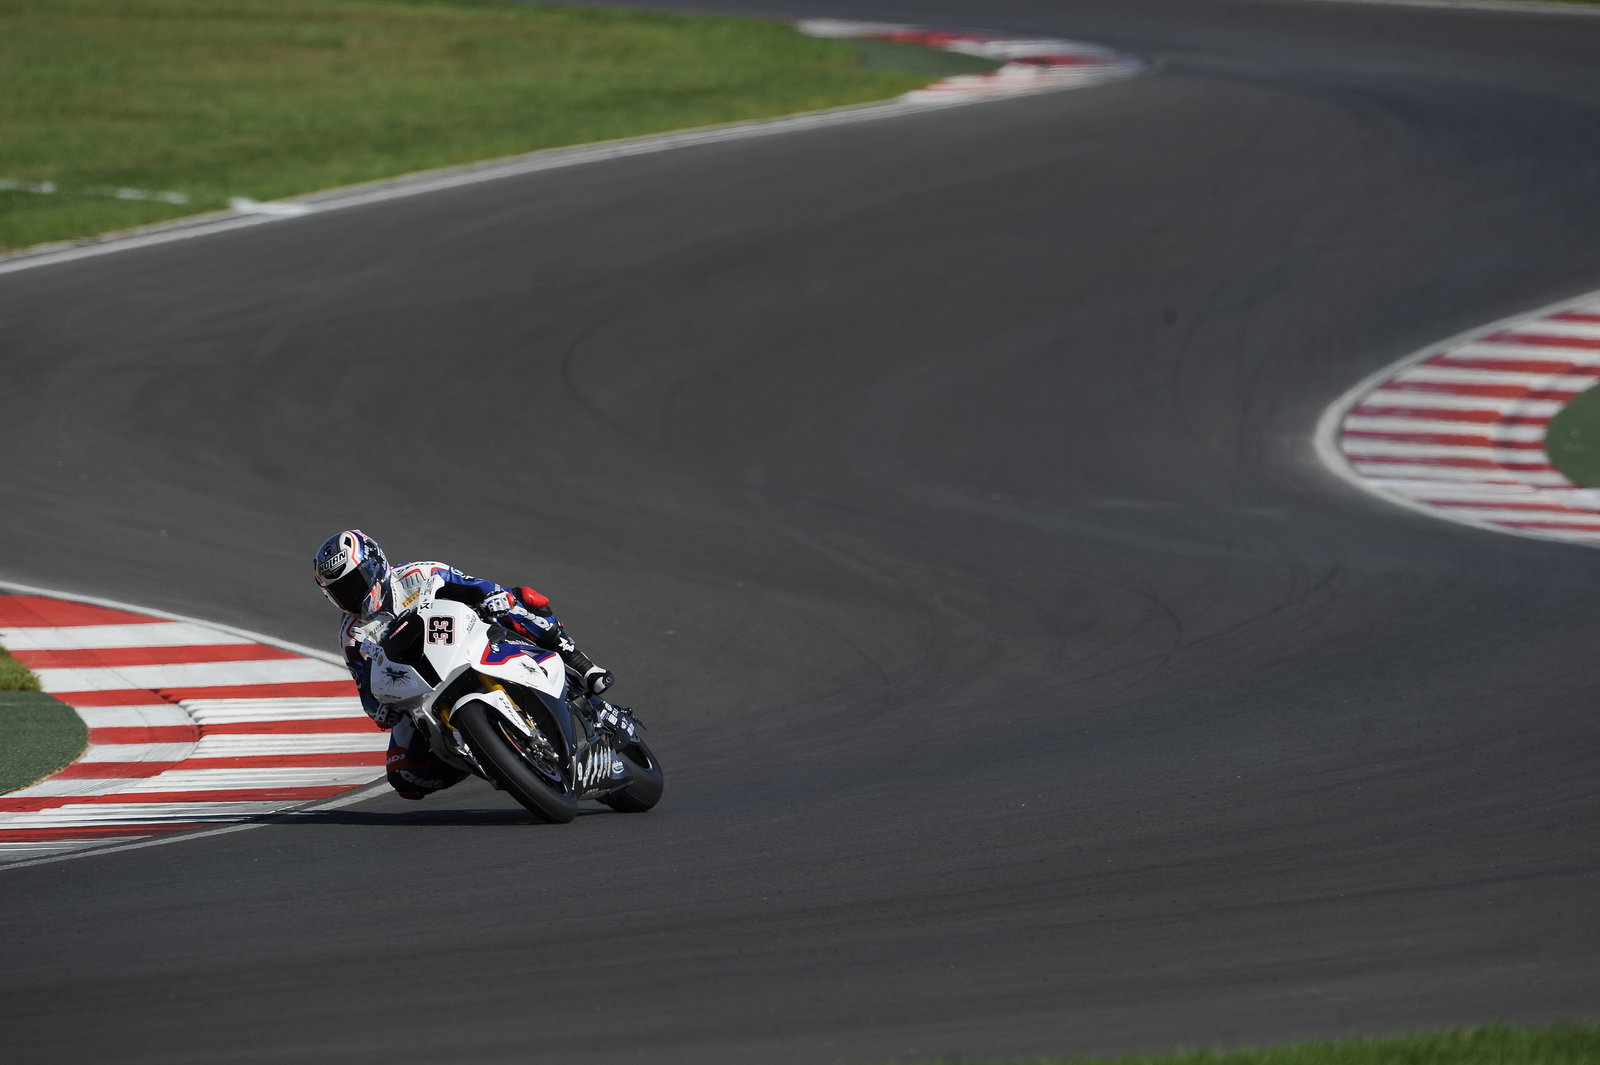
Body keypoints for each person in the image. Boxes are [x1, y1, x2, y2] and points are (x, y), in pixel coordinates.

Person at [312, 528, 633, 800]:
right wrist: (382, 710)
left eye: (354, 583)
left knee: (519, 600)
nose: (351, 596)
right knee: (403, 775)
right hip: (421, 689)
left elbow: (473, 586)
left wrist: (493, 596)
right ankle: (488, 757)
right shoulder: (351, 636)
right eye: (339, 592)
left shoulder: (418, 574)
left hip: (471, 642)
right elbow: (367, 692)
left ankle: (577, 661)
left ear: (376, 564)